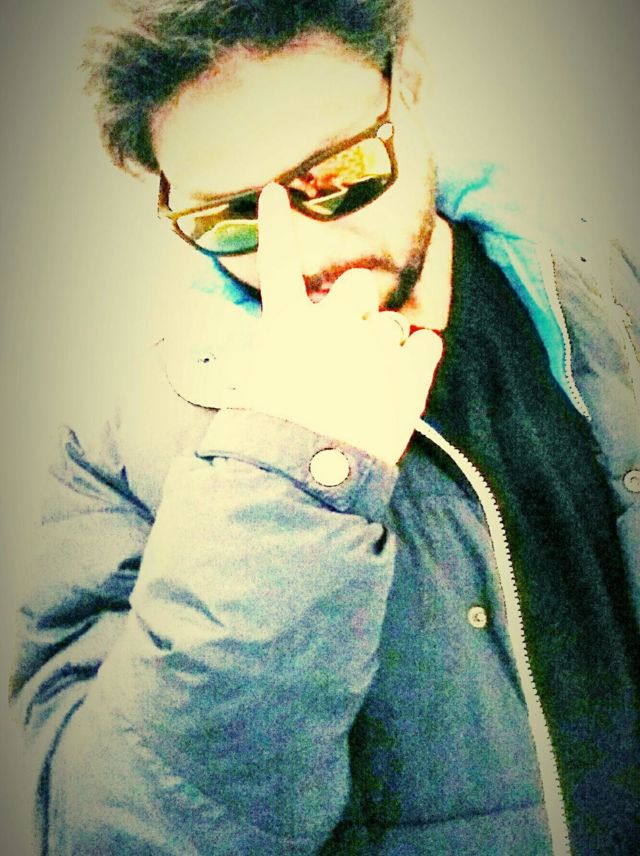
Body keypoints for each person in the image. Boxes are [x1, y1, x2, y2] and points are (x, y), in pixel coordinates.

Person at [10, 1, 639, 854]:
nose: (299, 256)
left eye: (338, 175)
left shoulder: (603, 301)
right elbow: (111, 832)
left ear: (406, 85)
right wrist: (285, 484)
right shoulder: (114, 447)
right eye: (230, 217)